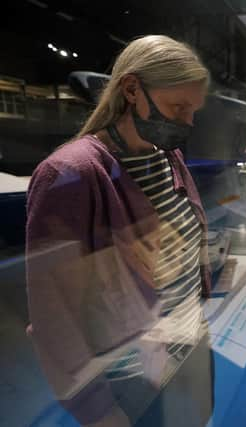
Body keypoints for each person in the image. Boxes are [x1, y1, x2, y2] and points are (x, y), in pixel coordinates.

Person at [25, 35, 213, 427]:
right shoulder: (70, 174)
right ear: (131, 90)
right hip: (132, 380)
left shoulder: (170, 157)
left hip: (190, 347)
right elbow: (53, 316)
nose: (188, 122)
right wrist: (99, 413)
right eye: (178, 107)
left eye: (192, 110)